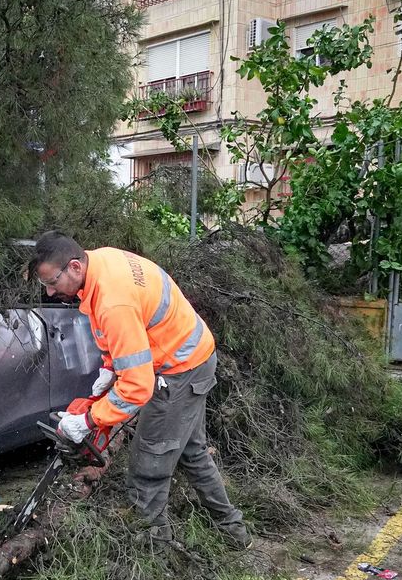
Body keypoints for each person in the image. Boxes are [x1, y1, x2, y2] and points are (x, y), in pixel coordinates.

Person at [33, 231, 249, 548]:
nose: (50, 292)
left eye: (52, 281)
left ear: (76, 267)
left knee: (148, 466)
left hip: (178, 370)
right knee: (192, 454)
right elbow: (121, 333)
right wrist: (109, 369)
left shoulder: (112, 300)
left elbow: (137, 387)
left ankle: (150, 557)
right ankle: (234, 534)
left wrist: (88, 420)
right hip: (191, 356)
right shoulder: (101, 261)